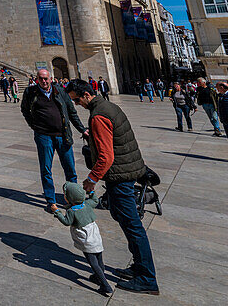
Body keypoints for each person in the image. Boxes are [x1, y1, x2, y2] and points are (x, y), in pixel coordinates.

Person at [68, 79, 159, 295]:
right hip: (127, 171)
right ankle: (139, 267)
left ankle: (147, 278)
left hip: (120, 176)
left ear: (86, 95)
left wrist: (92, 179)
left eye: (77, 100)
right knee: (124, 219)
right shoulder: (108, 106)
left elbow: (106, 157)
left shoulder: (99, 115)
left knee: (132, 226)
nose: (77, 104)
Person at [21, 68, 88, 211]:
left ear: (50, 79)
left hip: (63, 135)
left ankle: (73, 198)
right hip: (43, 136)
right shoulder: (30, 92)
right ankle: (51, 201)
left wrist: (82, 129)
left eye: (46, 78)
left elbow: (71, 112)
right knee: (46, 169)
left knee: (70, 168)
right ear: (37, 79)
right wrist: (34, 126)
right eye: (41, 79)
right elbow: (25, 110)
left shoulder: (60, 91)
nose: (44, 81)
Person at [53, 182, 112, 296]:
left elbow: (67, 222)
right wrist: (91, 192)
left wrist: (57, 212)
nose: (64, 196)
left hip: (86, 240)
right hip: (95, 236)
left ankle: (105, 285)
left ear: (70, 198)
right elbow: (95, 200)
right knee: (99, 258)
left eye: (65, 194)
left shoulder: (72, 211)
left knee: (93, 262)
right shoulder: (87, 204)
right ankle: (97, 277)